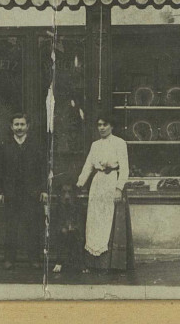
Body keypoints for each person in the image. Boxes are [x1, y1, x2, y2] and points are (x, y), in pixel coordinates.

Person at [76, 115, 135, 272]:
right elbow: (88, 165)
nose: (101, 127)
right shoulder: (95, 145)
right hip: (97, 183)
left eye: (105, 124)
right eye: (99, 125)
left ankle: (110, 264)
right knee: (95, 219)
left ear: (112, 126)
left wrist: (118, 188)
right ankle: (93, 262)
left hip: (112, 182)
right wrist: (80, 182)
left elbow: (125, 168)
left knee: (109, 220)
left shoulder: (120, 143)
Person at [0, 113, 48, 270]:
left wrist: (44, 190)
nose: (19, 127)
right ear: (11, 127)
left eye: (22, 124)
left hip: (32, 194)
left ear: (28, 126)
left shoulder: (36, 146)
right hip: (11, 194)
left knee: (33, 227)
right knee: (11, 227)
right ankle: (9, 259)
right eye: (16, 124)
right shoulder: (5, 146)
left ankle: (34, 259)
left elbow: (44, 169)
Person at [51, 181, 83, 273]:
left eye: (70, 192)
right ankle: (59, 263)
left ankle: (81, 264)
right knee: (61, 235)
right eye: (64, 192)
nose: (67, 196)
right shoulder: (57, 209)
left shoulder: (78, 208)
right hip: (62, 236)